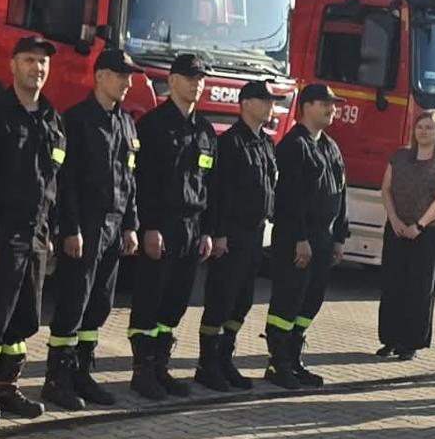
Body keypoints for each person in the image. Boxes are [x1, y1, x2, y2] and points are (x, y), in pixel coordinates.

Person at [0, 35, 61, 422]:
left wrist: (50, 232)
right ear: (12, 65)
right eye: (29, 60)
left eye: (42, 62)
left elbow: (55, 181)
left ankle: (8, 388)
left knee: (24, 318)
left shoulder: (52, 118)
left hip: (36, 235)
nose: (37, 68)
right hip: (1, 235)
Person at [43, 49, 141, 411]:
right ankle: (57, 379)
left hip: (114, 227)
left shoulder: (127, 123)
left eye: (129, 76)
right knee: (74, 301)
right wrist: (70, 228)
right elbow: (66, 182)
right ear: (99, 76)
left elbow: (130, 179)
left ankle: (82, 373)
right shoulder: (78, 120)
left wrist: (131, 224)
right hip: (85, 225)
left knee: (99, 303)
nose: (127, 83)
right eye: (120, 75)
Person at [129, 52, 218, 400]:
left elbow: (210, 184)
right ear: (174, 80)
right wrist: (148, 227)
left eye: (201, 79)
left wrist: (208, 231)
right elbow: (144, 181)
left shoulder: (206, 130)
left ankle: (161, 366)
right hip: (161, 226)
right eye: (191, 78)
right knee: (150, 298)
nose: (198, 84)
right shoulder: (153, 126)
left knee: (176, 302)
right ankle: (142, 370)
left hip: (192, 227)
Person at [193, 80, 279, 392]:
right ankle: (207, 364)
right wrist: (218, 234)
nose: (271, 106)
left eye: (272, 101)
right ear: (246, 104)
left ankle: (225, 357)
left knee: (241, 301)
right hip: (231, 234)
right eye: (265, 101)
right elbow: (217, 193)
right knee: (220, 299)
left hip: (255, 235)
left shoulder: (266, 143)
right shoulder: (229, 144)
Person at [264, 83, 349, 390]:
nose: (332, 109)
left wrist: (340, 235)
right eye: (326, 103)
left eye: (334, 104)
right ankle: (277, 364)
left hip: (324, 238)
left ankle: (295, 359)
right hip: (297, 238)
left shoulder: (330, 146)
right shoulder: (293, 146)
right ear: (307, 106)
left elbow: (341, 193)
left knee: (310, 302)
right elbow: (289, 199)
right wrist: (300, 238)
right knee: (288, 300)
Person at [376, 109, 435, 360]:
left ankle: (411, 342)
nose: (424, 132)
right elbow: (386, 189)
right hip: (397, 228)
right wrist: (394, 220)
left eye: (429, 127)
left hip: (427, 232)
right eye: (420, 127)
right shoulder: (400, 156)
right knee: (392, 284)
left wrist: (419, 226)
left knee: (419, 287)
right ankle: (389, 338)